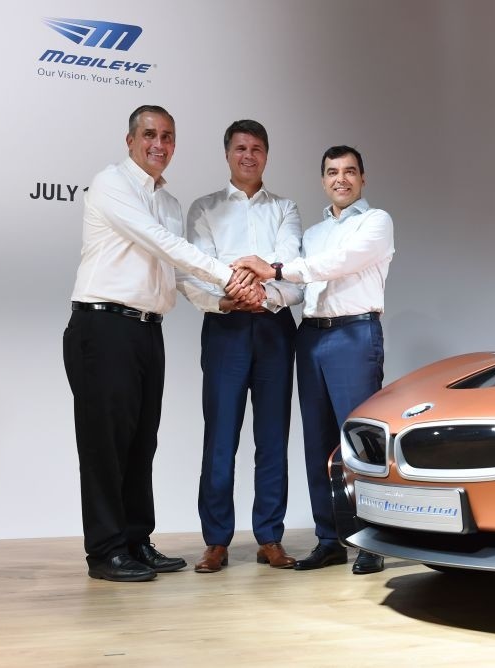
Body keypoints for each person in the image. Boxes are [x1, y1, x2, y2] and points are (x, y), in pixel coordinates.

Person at [63, 105, 260, 583]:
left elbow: (174, 276)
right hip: (103, 325)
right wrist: (229, 273)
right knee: (105, 445)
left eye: (168, 137)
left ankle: (135, 540)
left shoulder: (170, 203)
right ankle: (105, 551)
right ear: (130, 140)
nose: (159, 144)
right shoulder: (111, 183)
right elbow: (161, 244)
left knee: (140, 441)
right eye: (150, 134)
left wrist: (223, 301)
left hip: (147, 330)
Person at [233, 145, 393, 574]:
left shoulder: (376, 222)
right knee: (318, 445)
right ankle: (330, 539)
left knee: (359, 445)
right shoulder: (315, 233)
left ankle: (371, 539)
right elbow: (301, 287)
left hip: (354, 335)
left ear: (362, 178)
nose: (340, 179)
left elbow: (340, 263)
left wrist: (277, 268)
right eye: (332, 172)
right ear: (323, 180)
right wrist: (256, 292)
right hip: (312, 336)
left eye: (349, 172)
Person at [180, 120, 303, 573]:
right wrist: (230, 298)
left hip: (274, 331)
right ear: (227, 154)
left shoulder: (286, 209)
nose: (248, 155)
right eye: (239, 148)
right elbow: (196, 271)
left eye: (256, 148)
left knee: (272, 439)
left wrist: (263, 294)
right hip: (226, 328)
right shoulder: (205, 209)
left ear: (266, 155)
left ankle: (270, 536)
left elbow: (291, 271)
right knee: (220, 438)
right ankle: (216, 541)